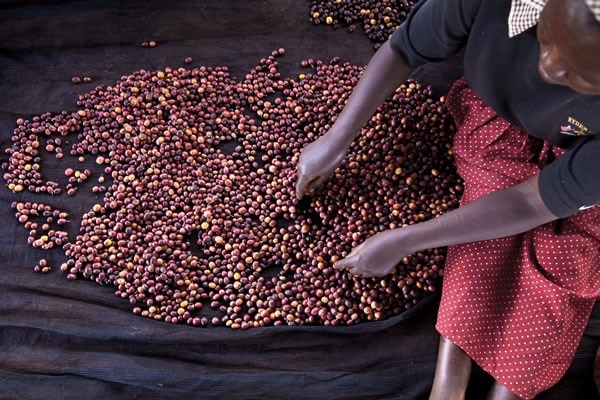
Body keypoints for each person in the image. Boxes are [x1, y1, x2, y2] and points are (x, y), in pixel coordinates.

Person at [295, 0, 600, 399]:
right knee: (480, 227)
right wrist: (336, 140)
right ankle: (450, 375)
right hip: (498, 132)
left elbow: (529, 203)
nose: (550, 67)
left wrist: (404, 240)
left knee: (567, 261)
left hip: (585, 172)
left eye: (577, 72)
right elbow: (405, 47)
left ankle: (505, 391)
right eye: (546, 39)